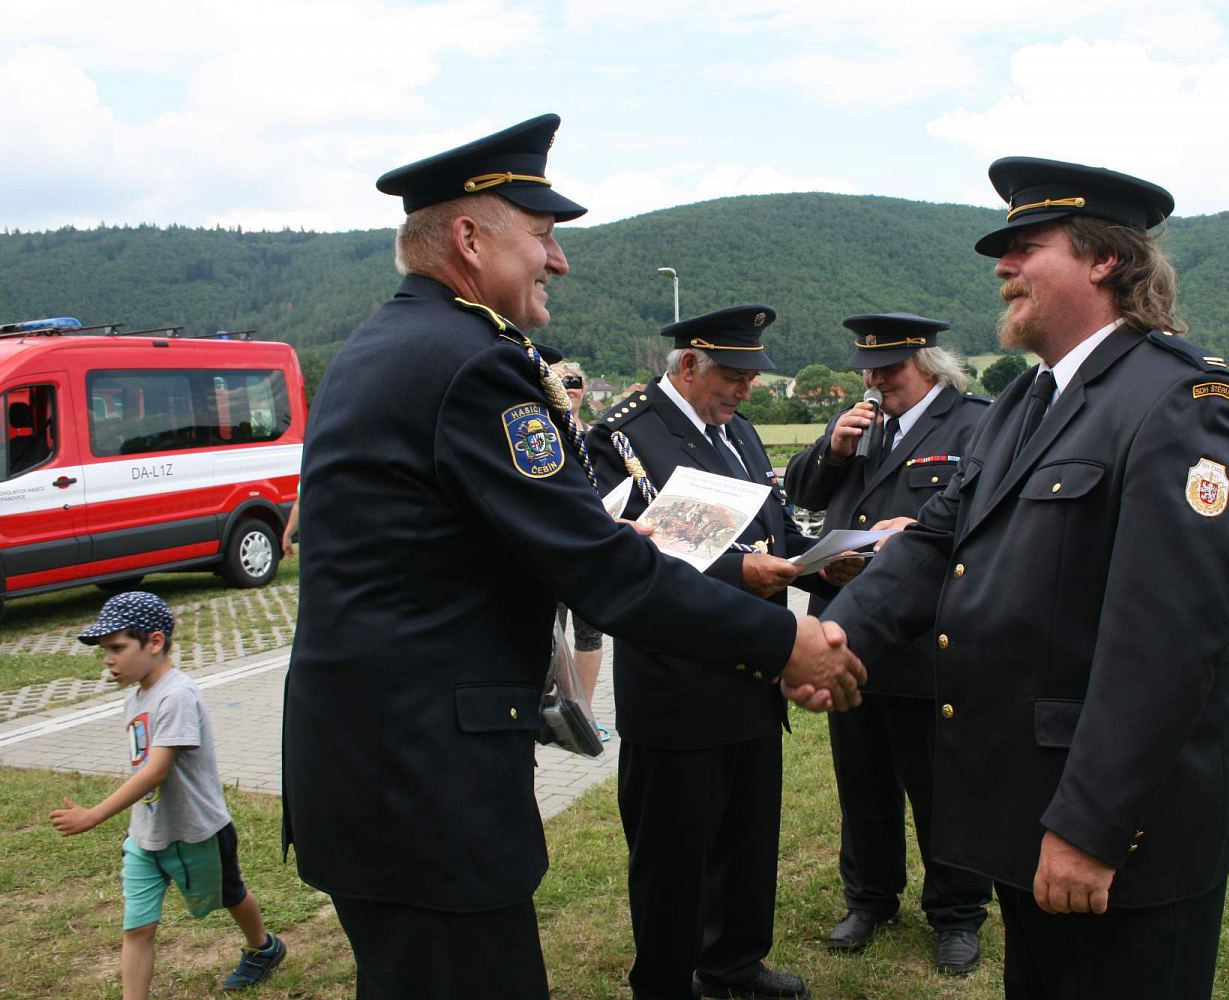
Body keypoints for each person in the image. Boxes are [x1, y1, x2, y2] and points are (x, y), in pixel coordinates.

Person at [280, 114, 864, 1000]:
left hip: (380, 767)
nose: (560, 261)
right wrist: (784, 643)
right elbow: (602, 573)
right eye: (545, 237)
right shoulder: (474, 364)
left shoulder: (395, 341)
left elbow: (444, 544)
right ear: (470, 238)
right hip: (423, 781)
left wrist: (586, 545)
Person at [819, 157, 1229, 999]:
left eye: (1026, 245)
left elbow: (1165, 644)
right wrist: (843, 633)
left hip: (1116, 833)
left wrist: (1093, 829)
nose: (1001, 266)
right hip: (1026, 810)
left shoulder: (1182, 400)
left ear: (1104, 260)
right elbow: (934, 535)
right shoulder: (1027, 400)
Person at [588, 305, 856, 1000]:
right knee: (674, 856)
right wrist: (740, 574)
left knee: (748, 834)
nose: (744, 391)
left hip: (755, 669)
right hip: (677, 683)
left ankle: (734, 960)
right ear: (687, 366)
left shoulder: (734, 431)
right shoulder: (620, 436)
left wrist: (818, 562)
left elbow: (768, 526)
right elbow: (624, 561)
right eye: (732, 377)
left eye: (749, 378)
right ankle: (667, 981)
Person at [783, 312, 993, 974]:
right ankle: (870, 898)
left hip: (927, 635)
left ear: (929, 366)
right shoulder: (857, 425)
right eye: (867, 370)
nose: (874, 383)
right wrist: (832, 451)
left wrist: (914, 537)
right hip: (847, 627)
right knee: (862, 781)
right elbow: (801, 492)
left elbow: (989, 528)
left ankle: (958, 913)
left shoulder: (975, 423)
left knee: (940, 787)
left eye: (889, 370)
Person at [50, 591, 286, 998]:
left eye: (117, 648)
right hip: (146, 836)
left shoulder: (178, 694)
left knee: (231, 894)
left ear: (155, 642)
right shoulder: (138, 696)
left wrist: (94, 815)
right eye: (105, 650)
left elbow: (156, 770)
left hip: (198, 832)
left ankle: (262, 946)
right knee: (138, 926)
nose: (108, 659)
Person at [552, 359, 607, 724]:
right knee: (550, 633)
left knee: (590, 634)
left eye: (575, 382)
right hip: (552, 547)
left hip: (590, 549)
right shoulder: (539, 431)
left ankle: (583, 713)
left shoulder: (595, 434)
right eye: (561, 381)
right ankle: (555, 707)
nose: (569, 386)